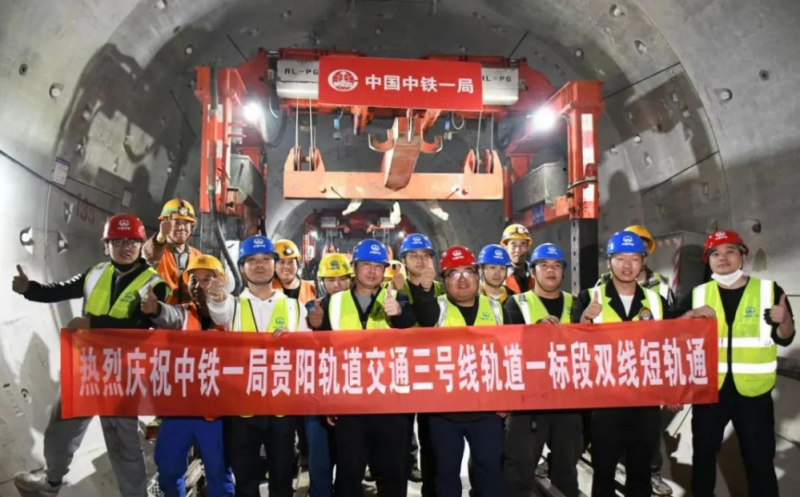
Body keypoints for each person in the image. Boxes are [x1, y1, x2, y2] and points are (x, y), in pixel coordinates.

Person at [12, 214, 169, 497]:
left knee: (124, 445)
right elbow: (60, 290)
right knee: (59, 431)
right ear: (105, 245)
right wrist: (29, 289)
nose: (126, 247)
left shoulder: (154, 283)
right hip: (86, 368)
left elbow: (140, 327)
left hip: (121, 374)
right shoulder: (95, 273)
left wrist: (92, 323)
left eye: (132, 241)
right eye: (118, 242)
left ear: (140, 244)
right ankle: (50, 482)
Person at [683, 230, 794, 497]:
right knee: (703, 458)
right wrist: (688, 315)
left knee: (759, 460)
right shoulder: (698, 295)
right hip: (709, 392)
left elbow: (786, 337)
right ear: (708, 260)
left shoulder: (768, 291)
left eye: (730, 251)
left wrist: (785, 320)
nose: (722, 258)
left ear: (742, 255)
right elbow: (673, 334)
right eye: (715, 253)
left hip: (754, 394)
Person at [571, 231, 677, 497]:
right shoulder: (588, 298)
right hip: (605, 401)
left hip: (645, 401)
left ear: (643, 262)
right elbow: (572, 346)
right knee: (604, 472)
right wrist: (584, 320)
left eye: (634, 258)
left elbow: (670, 346)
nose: (627, 265)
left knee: (640, 473)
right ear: (609, 262)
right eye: (620, 258)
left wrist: (673, 388)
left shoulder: (656, 301)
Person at [309, 239, 416, 497]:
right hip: (350, 404)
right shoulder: (333, 303)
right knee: (348, 474)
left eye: (378, 266)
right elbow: (325, 356)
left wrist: (398, 312)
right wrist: (329, 400)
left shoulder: (397, 298)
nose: (372, 271)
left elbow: (409, 321)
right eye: (366, 264)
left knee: (393, 474)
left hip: (390, 404)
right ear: (354, 268)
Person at [205, 235, 309, 497]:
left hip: (282, 407)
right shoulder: (233, 305)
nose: (260, 265)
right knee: (246, 478)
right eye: (252, 260)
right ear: (242, 268)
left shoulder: (295, 307)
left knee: (282, 478)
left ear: (275, 264)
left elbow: (308, 354)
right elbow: (219, 312)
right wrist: (216, 297)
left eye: (265, 259)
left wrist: (295, 342)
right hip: (243, 409)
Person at [413, 246, 509, 497]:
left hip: (487, 411)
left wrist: (506, 396)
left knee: (490, 475)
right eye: (453, 273)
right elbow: (420, 325)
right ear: (443, 281)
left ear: (478, 275)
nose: (462, 279)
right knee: (445, 476)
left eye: (468, 271)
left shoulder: (498, 309)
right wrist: (423, 291)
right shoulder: (434, 308)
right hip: (444, 413)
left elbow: (512, 355)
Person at [141, 255, 235, 497]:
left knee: (219, 471)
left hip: (216, 412)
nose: (199, 285)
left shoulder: (233, 315)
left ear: (221, 281)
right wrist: (154, 309)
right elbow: (166, 315)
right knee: (168, 467)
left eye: (206, 279)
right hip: (181, 408)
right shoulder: (182, 314)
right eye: (194, 280)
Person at [503, 243, 582, 497]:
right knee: (519, 469)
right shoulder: (516, 304)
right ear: (533, 271)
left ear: (563, 272)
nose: (551, 271)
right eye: (544, 265)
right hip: (528, 402)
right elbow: (508, 347)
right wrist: (535, 330)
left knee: (566, 471)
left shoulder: (575, 304)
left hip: (566, 400)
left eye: (557, 266)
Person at [391, 233, 442, 490]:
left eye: (425, 255)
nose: (420, 260)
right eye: (414, 255)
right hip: (401, 370)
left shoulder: (442, 289)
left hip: (434, 371)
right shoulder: (393, 289)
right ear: (403, 260)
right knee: (399, 439)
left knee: (432, 439)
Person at [305, 252, 353, 497]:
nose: (338, 285)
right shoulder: (312, 309)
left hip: (351, 392)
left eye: (343, 279)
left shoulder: (360, 308)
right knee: (320, 460)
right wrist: (313, 324)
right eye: (331, 280)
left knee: (349, 460)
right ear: (322, 282)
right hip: (319, 393)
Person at [143, 198, 202, 304]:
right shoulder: (156, 250)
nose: (182, 227)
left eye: (186, 223)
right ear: (164, 224)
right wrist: (161, 237)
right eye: (176, 223)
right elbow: (149, 255)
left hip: (188, 313)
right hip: (158, 311)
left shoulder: (198, 256)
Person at [273, 238, 317, 304]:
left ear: (297, 264)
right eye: (282, 262)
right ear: (273, 266)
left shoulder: (311, 288)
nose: (287, 266)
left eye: (291, 262)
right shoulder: (267, 289)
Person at [500, 224, 535, 294]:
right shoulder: (498, 276)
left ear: (528, 247)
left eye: (522, 244)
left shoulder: (536, 273)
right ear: (505, 248)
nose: (518, 250)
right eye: (513, 245)